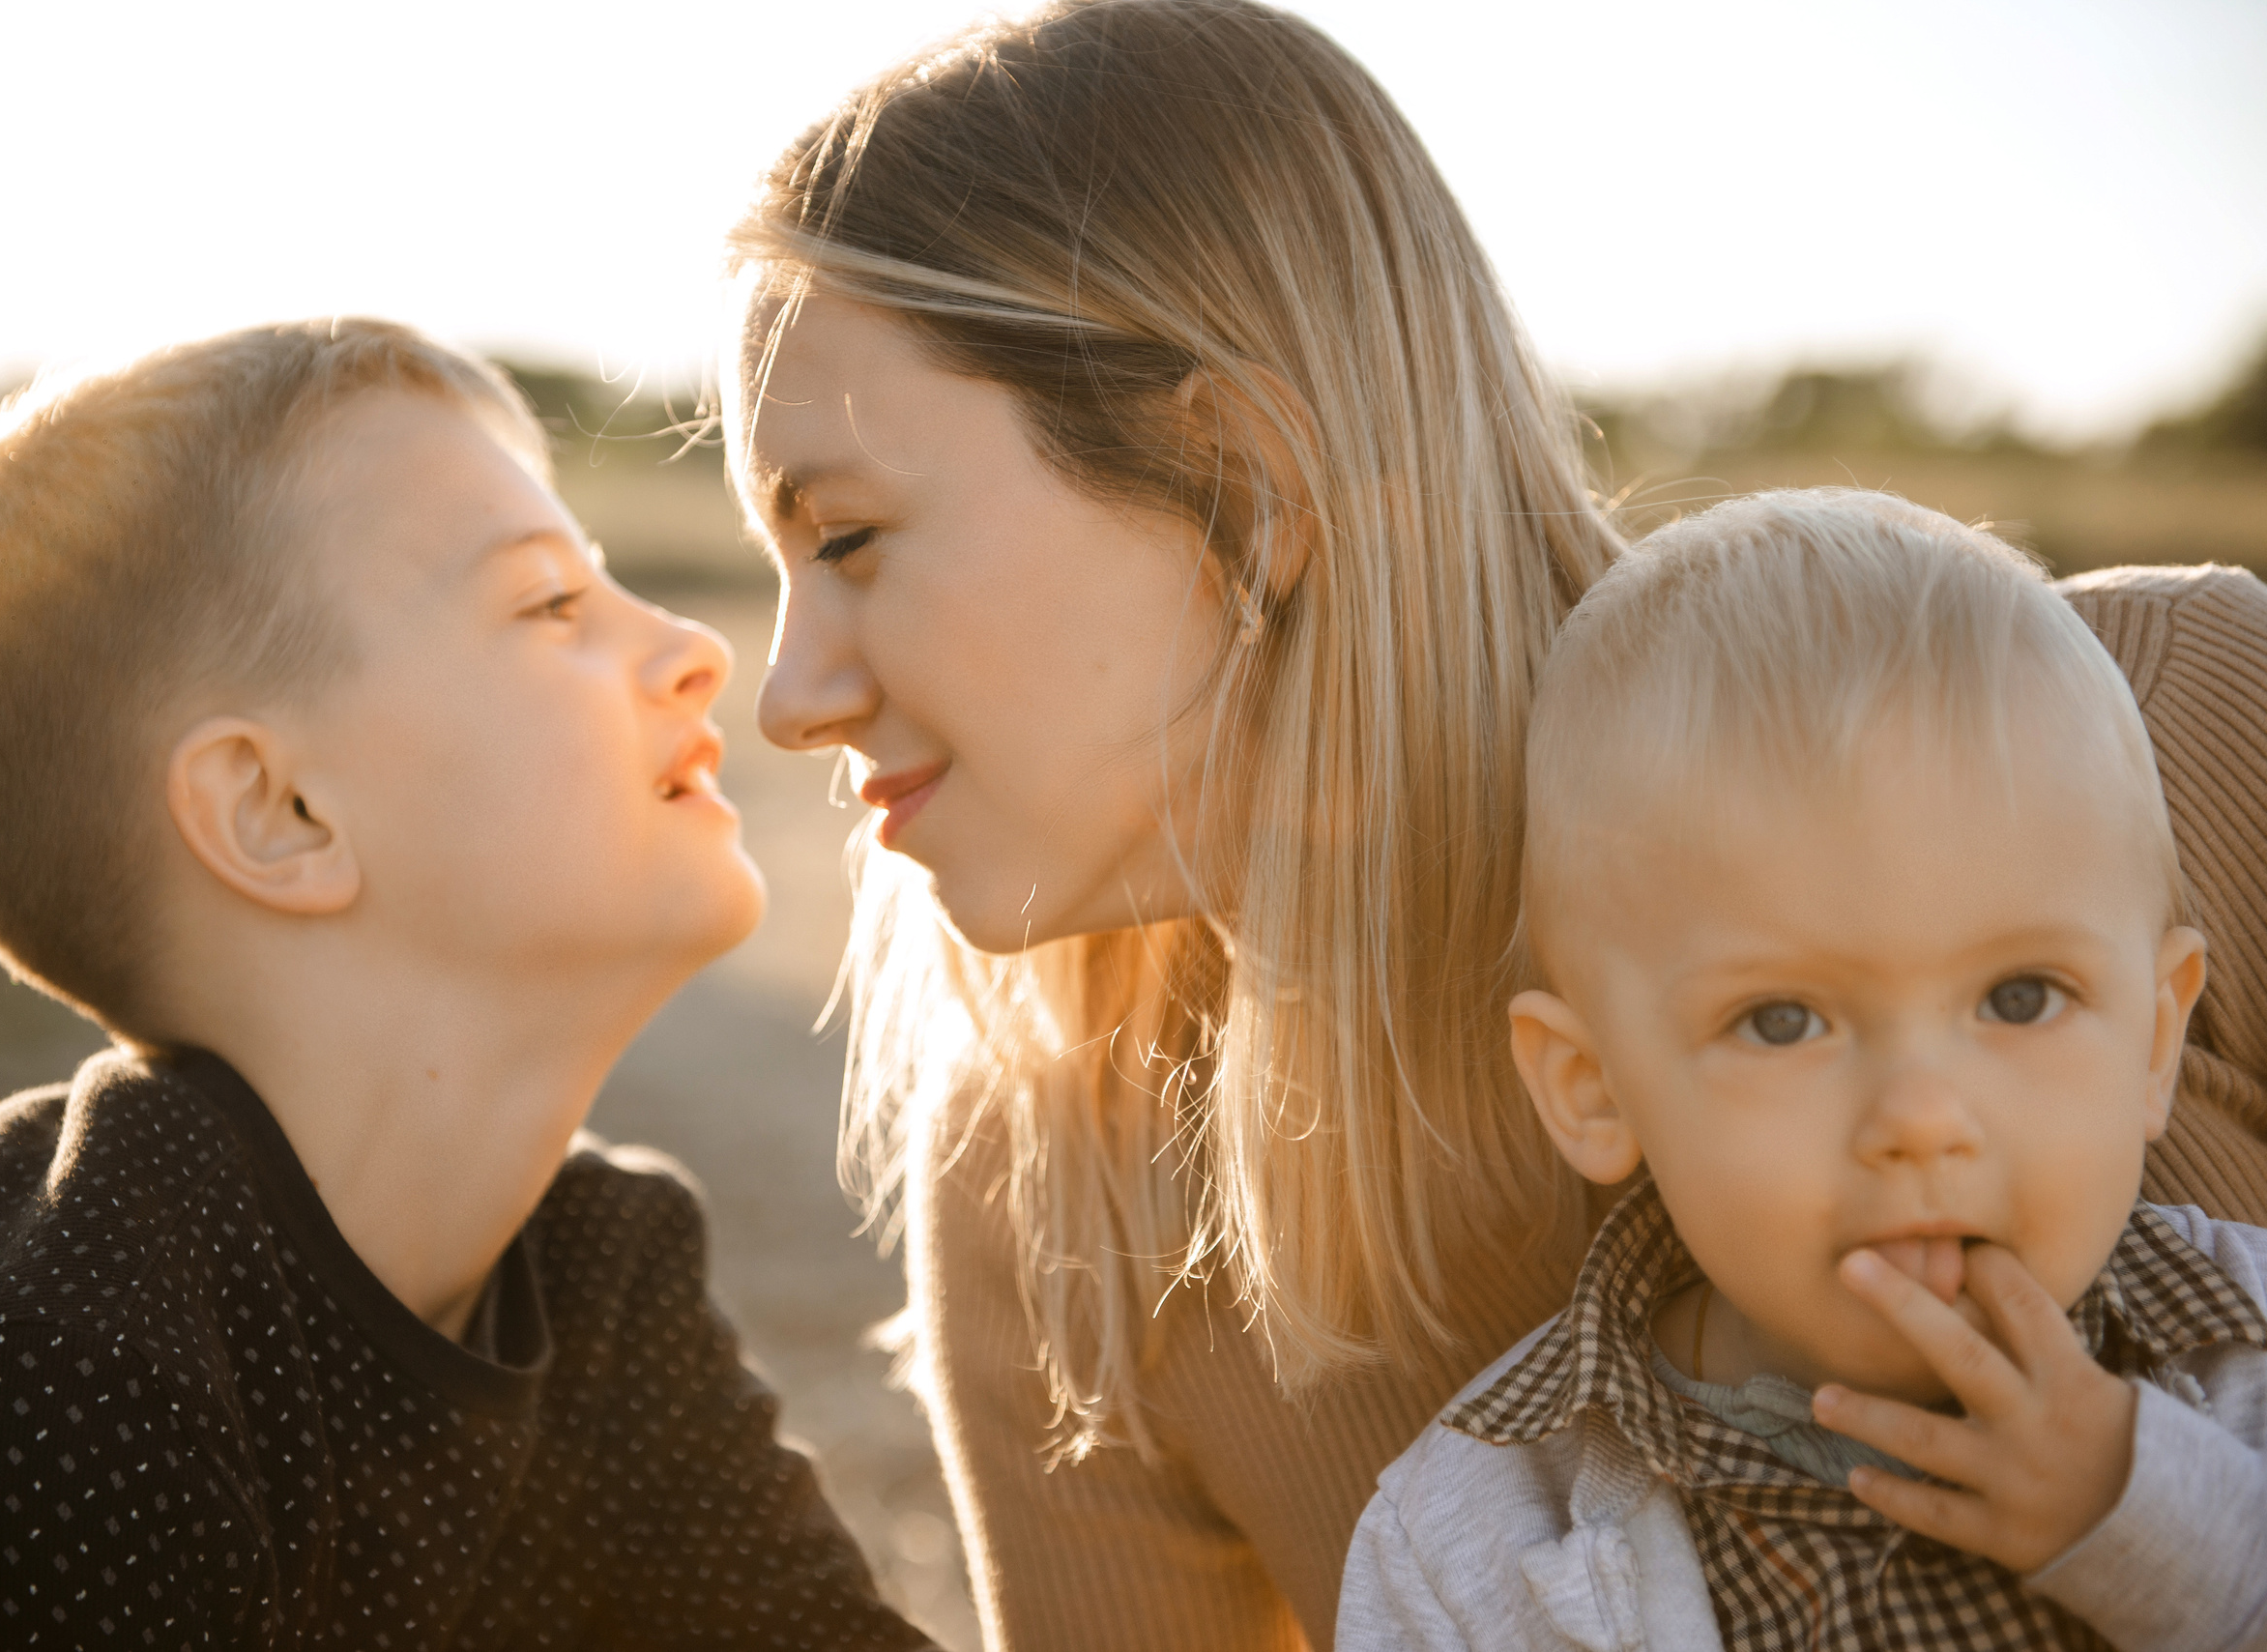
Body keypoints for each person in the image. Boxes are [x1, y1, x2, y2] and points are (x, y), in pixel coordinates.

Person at [725, 2, 2267, 1647]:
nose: (790, 696)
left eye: (856, 537)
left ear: (1245, 485)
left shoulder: (2173, 718)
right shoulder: (1060, 1186)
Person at [0, 320, 931, 1650]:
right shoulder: (28, 1402)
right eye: (550, 602)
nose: (697, 648)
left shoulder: (593, 1273)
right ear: (282, 811)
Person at [1335, 489, 2267, 1650]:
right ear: (1592, 1084)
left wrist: (2164, 1524)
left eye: (2019, 997)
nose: (1922, 1120)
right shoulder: (1469, 1542)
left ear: (2151, 1040)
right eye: (1781, 1020)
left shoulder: (2246, 1359)